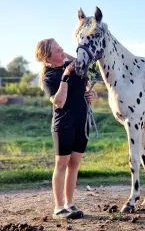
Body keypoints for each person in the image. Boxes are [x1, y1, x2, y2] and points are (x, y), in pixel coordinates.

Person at [35, 38, 97, 220]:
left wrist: (92, 94)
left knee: (74, 164)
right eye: (57, 50)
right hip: (63, 124)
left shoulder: (73, 66)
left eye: (61, 48)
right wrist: (65, 76)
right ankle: (58, 207)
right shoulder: (49, 77)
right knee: (62, 164)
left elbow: (84, 66)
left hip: (81, 121)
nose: (62, 51)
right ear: (47, 58)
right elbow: (59, 102)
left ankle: (70, 203)